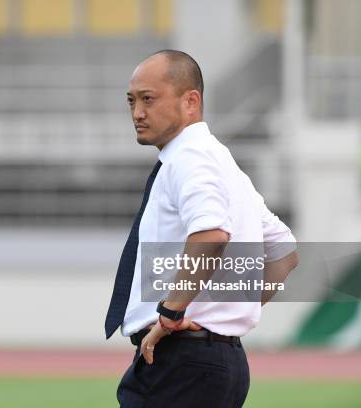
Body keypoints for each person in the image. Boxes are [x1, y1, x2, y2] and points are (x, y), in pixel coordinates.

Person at [104, 50, 298, 407]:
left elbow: (211, 234)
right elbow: (284, 252)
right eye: (131, 101)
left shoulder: (188, 157)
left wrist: (172, 312)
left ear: (190, 101)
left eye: (148, 99)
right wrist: (224, 310)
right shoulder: (222, 162)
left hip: (181, 362)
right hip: (218, 362)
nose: (137, 113)